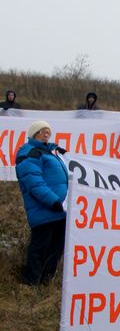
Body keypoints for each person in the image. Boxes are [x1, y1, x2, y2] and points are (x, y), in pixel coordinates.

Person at [15, 120, 69, 286]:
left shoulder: (51, 153)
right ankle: (31, 284)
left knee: (56, 248)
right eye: (42, 132)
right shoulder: (29, 153)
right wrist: (53, 201)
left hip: (60, 209)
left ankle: (46, 283)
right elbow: (33, 182)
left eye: (48, 132)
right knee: (40, 248)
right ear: (34, 134)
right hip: (45, 209)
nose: (47, 134)